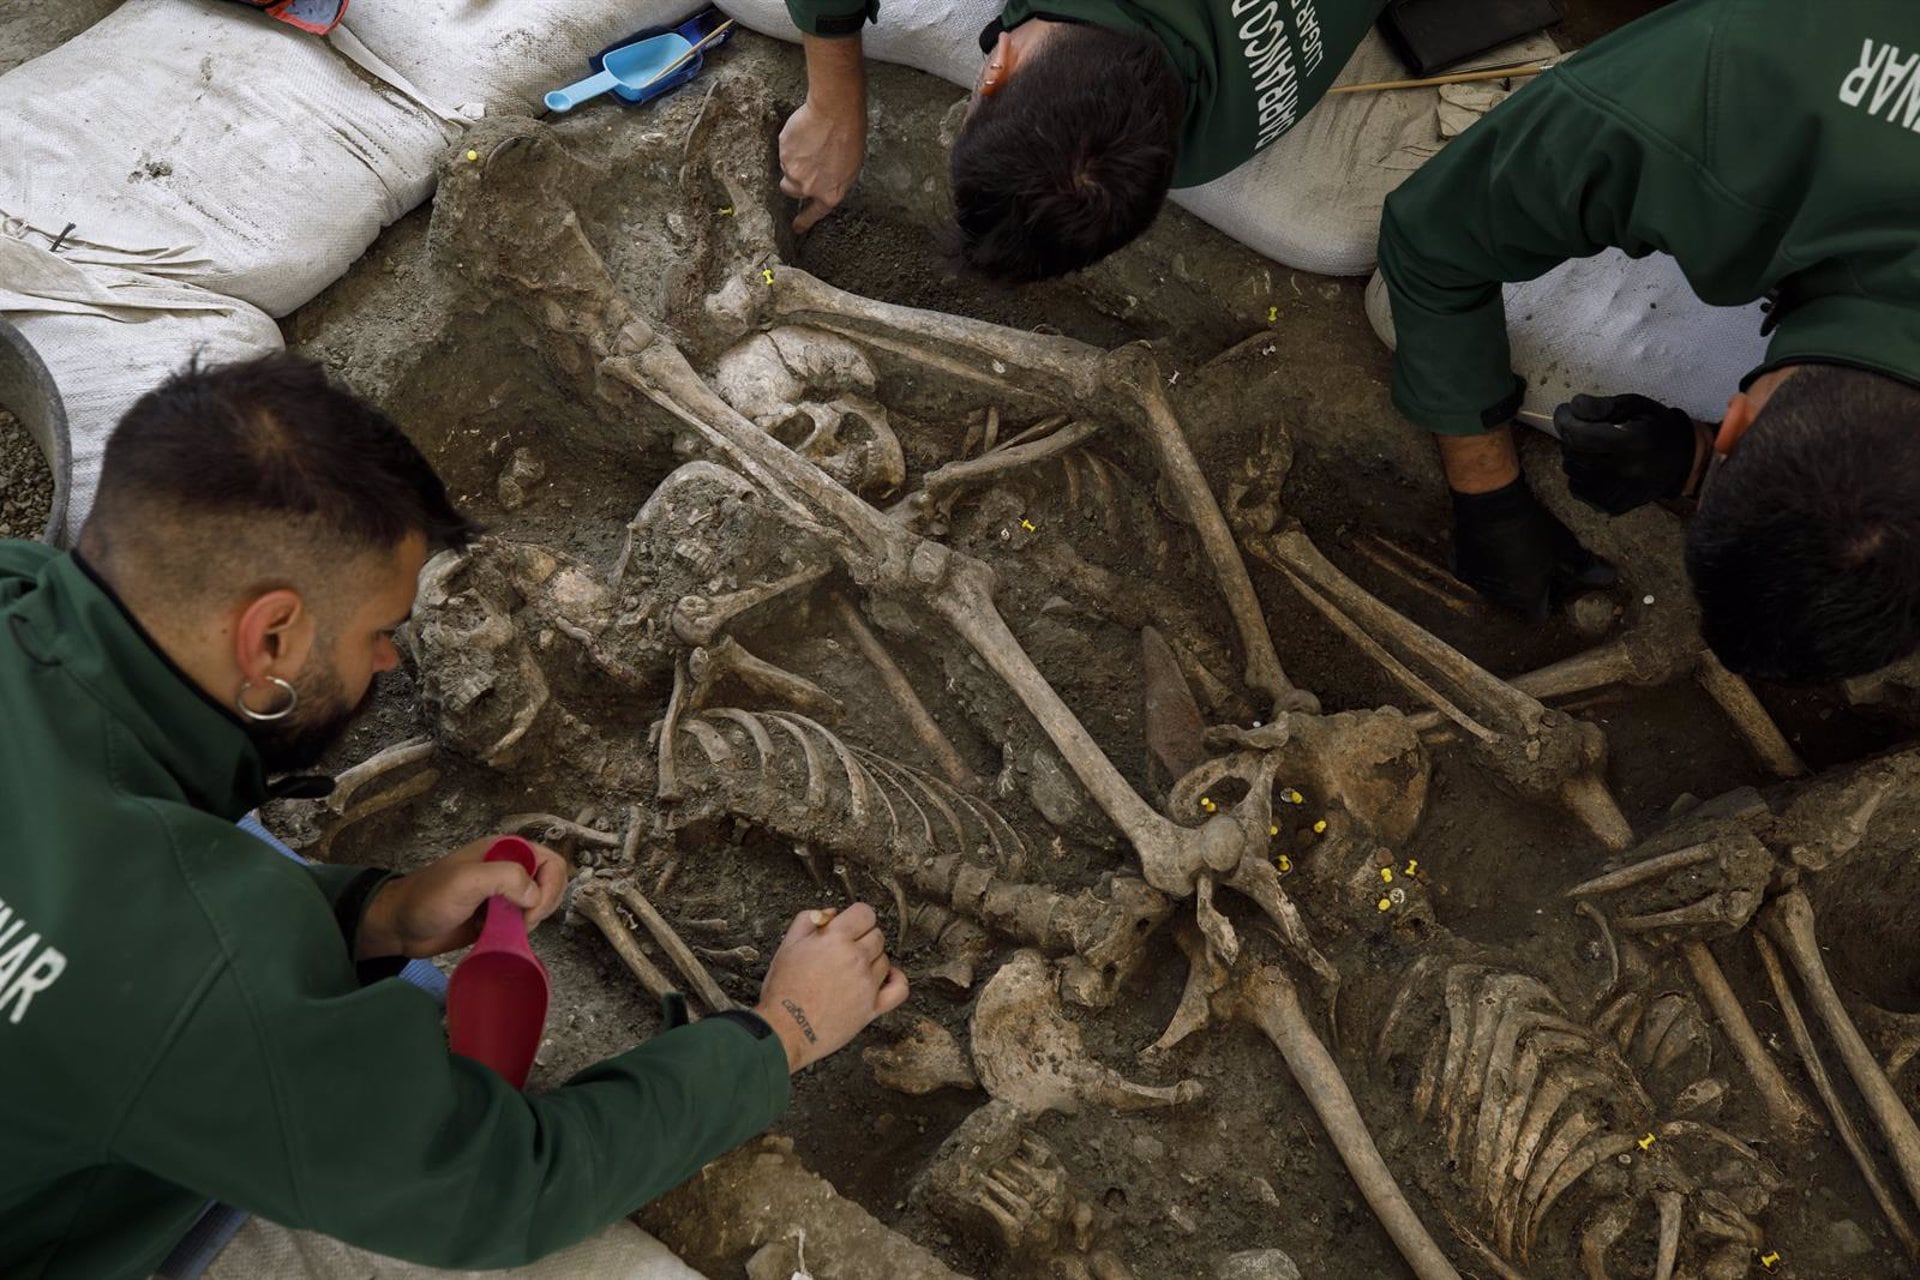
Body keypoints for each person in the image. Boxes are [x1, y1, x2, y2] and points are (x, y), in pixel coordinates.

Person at [0, 354, 909, 1279]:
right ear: (269, 638)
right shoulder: (192, 980)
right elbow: (504, 1189)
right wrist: (781, 1031)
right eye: (378, 633)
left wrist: (376, 914)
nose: (390, 663)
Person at [1378, 0, 1920, 682]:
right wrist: (1486, 493)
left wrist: (1694, 463)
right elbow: (1435, 237)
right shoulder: (1721, 91)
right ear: (1736, 420)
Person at [777, 0, 1387, 279]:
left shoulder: (1209, 149)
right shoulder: (1208, 147)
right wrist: (833, 102)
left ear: (994, 66)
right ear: (996, 71)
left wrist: (835, 102)